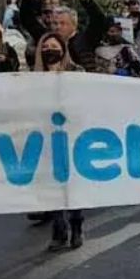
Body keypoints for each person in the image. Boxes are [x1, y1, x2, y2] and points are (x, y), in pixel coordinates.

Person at [32, 33, 88, 250]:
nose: (49, 50)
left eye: (54, 46)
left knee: (73, 186)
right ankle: (59, 230)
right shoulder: (34, 78)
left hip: (73, 138)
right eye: (45, 47)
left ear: (63, 50)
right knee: (52, 186)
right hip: (46, 139)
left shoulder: (77, 73)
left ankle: (76, 226)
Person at [19, 0, 106, 72]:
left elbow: (99, 19)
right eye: (55, 23)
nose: (58, 27)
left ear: (74, 24)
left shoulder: (86, 39)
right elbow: (27, 19)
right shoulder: (47, 38)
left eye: (63, 23)